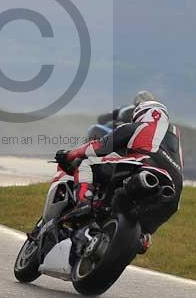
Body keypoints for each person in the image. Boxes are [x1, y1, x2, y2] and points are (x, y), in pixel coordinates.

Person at [55, 99, 183, 253]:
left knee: (86, 164)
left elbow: (99, 147)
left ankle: (83, 203)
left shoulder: (136, 126)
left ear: (141, 114)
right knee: (147, 227)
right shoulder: (176, 145)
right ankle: (144, 236)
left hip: (142, 164)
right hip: (173, 191)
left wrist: (70, 154)